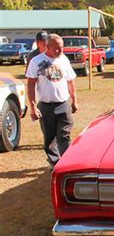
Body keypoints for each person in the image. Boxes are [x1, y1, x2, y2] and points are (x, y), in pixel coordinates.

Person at [26, 34, 78, 168]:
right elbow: (31, 84)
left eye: (61, 47)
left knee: (64, 134)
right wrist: (33, 106)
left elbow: (70, 81)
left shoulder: (64, 60)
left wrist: (74, 100)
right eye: (56, 48)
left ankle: (66, 163)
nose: (60, 51)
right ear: (47, 47)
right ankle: (55, 163)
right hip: (46, 106)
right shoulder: (36, 61)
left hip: (63, 104)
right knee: (49, 138)